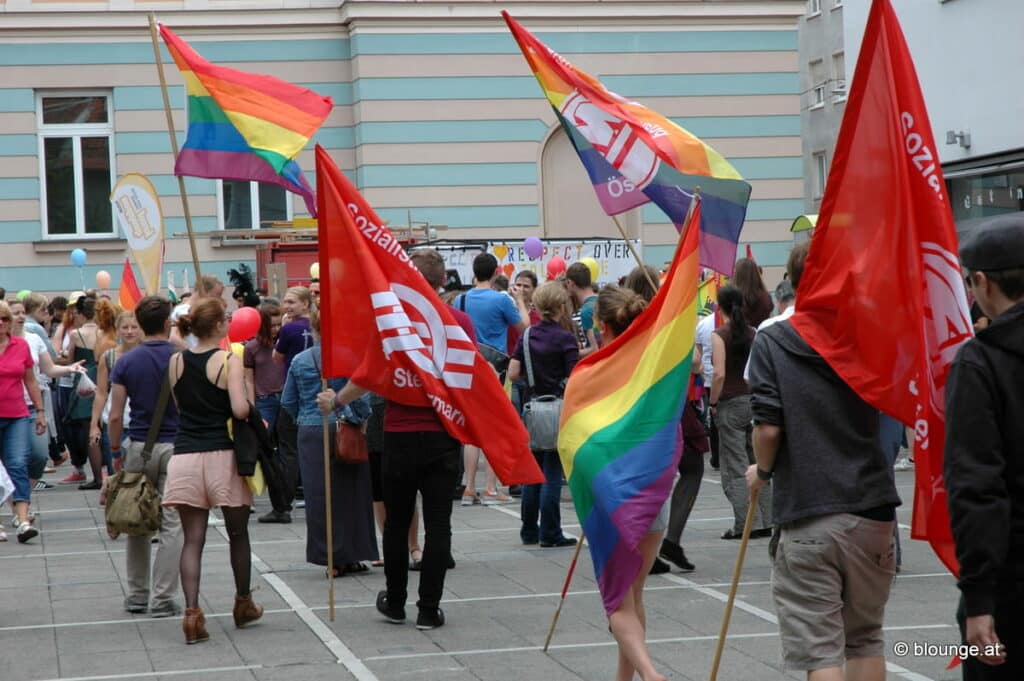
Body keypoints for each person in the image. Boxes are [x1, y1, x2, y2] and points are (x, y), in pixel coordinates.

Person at [746, 243, 899, 681]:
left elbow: (769, 428)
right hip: (872, 506)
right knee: (866, 637)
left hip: (810, 508)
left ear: (793, 282)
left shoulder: (774, 340)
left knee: (820, 651)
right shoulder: (870, 334)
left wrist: (764, 472)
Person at [320, 248, 473, 631]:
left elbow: (368, 375)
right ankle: (429, 608)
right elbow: (472, 376)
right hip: (443, 434)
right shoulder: (459, 322)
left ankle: (395, 601)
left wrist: (336, 400)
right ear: (442, 281)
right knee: (440, 524)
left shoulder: (392, 321)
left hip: (398, 435)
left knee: (396, 521)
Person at [945, 214, 1024, 680]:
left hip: (1011, 583)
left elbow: (976, 486)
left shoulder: (980, 362)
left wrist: (978, 598)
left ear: (981, 283)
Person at [161, 297, 262, 644]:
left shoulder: (175, 362)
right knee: (238, 534)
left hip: (186, 456)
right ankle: (243, 602)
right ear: (220, 326)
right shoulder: (228, 361)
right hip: (222, 456)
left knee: (193, 539)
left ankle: (192, 614)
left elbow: (180, 406)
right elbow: (238, 409)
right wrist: (249, 402)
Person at [580, 285, 667, 681]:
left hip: (613, 495)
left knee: (617, 600)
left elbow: (578, 435)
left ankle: (650, 673)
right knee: (634, 594)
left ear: (600, 324)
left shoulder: (594, 369)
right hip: (654, 490)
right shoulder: (656, 366)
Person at [282, 309, 378, 576]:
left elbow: (288, 401)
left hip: (311, 430)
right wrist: (355, 417)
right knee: (352, 493)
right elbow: (363, 402)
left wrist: (304, 417)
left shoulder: (300, 360)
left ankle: (329, 557)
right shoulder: (351, 358)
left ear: (313, 329)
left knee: (318, 496)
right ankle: (352, 553)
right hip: (345, 428)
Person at [107, 296, 183, 618]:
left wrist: (114, 452)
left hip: (139, 445)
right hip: (178, 446)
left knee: (136, 520)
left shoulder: (126, 361)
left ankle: (137, 594)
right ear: (168, 323)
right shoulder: (182, 357)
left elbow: (115, 414)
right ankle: (163, 598)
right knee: (172, 524)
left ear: (139, 322)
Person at [507, 282, 579, 548]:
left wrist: (533, 377)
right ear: (562, 307)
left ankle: (529, 530)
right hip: (557, 408)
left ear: (536, 305)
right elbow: (574, 379)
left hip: (532, 408)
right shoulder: (565, 339)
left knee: (532, 471)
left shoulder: (526, 336)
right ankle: (550, 532)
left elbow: (513, 374)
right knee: (552, 471)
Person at [454, 253, 528, 506]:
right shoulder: (502, 300)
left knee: (472, 429)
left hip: (471, 367)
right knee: (494, 426)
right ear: (496, 272)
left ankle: (469, 487)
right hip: (497, 369)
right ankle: (491, 488)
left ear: (474, 272)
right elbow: (524, 328)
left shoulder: (460, 299)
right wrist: (519, 301)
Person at [710, 285, 771, 540]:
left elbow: (719, 373)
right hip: (752, 401)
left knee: (734, 467)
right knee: (758, 463)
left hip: (730, 403)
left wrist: (713, 402)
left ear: (719, 306)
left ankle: (745, 523)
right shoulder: (753, 333)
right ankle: (766, 519)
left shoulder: (719, 335)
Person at [262, 286, 315, 523]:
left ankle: (283, 504)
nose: (287, 306)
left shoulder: (290, 328)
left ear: (305, 304)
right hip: (316, 392)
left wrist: (283, 330)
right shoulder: (315, 326)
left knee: (288, 449)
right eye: (286, 301)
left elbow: (277, 357)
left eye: (292, 302)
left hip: (293, 392)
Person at [0, 300, 48, 543]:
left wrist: (40, 411)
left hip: (18, 414)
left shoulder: (20, 345)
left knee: (18, 463)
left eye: (5, 319)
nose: (1, 323)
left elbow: (31, 381)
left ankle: (23, 520)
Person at [59, 293, 102, 489]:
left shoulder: (77, 334)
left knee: (89, 429)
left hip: (84, 379)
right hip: (101, 377)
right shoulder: (104, 332)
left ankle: (98, 477)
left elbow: (70, 362)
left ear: (81, 313)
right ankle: (110, 471)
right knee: (104, 428)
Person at [243, 302, 285, 433]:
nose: (276, 329)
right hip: (264, 400)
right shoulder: (251, 347)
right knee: (263, 437)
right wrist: (252, 406)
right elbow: (249, 379)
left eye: (279, 325)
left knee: (286, 440)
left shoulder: (284, 343)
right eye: (272, 326)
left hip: (285, 397)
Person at [565, 262, 599, 356]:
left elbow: (595, 349)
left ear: (570, 283)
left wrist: (569, 353)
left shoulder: (586, 311)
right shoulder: (600, 301)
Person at [732, 257, 773, 328]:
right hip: (763, 336)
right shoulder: (766, 298)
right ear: (756, 274)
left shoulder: (733, 300)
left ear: (737, 275)